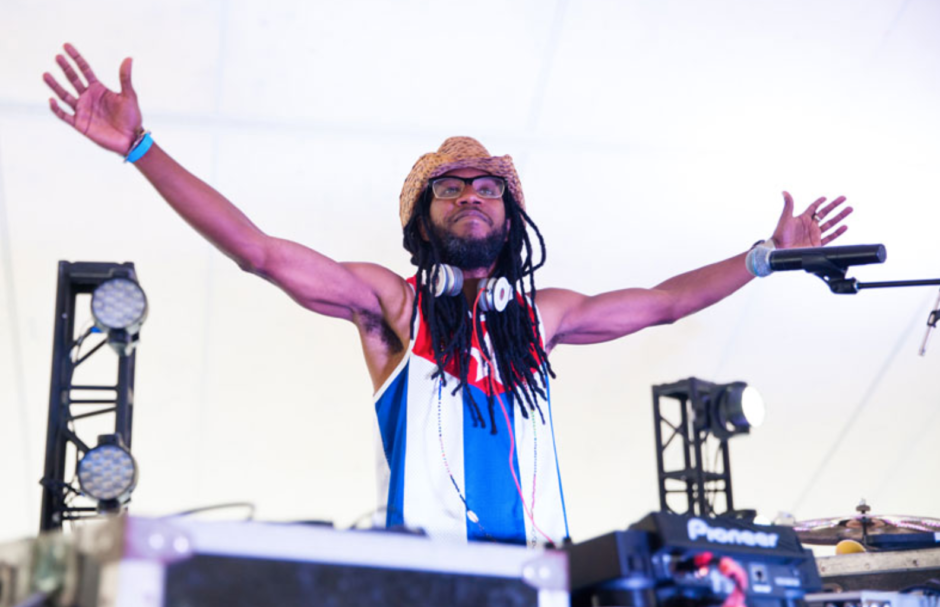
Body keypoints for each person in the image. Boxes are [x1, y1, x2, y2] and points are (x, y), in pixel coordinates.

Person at [44, 43, 852, 547]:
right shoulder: (392, 308)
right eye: (451, 186)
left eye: (489, 187)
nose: (471, 194)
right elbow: (258, 252)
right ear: (423, 220)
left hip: (544, 585)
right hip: (429, 592)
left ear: (510, 218)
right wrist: (141, 147)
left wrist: (766, 257)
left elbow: (665, 302)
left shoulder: (542, 318)